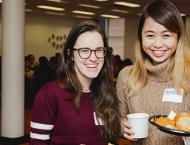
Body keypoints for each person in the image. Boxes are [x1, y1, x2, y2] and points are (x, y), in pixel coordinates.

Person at [30, 20, 121, 145]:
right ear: (71, 54)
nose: (93, 58)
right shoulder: (49, 94)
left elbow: (105, 139)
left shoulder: (105, 91)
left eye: (99, 50)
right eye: (84, 51)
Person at [116, 0, 190, 145]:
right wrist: (121, 127)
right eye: (150, 35)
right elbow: (120, 118)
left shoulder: (188, 76)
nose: (157, 44)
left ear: (178, 38)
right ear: (140, 37)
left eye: (166, 35)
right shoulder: (126, 76)